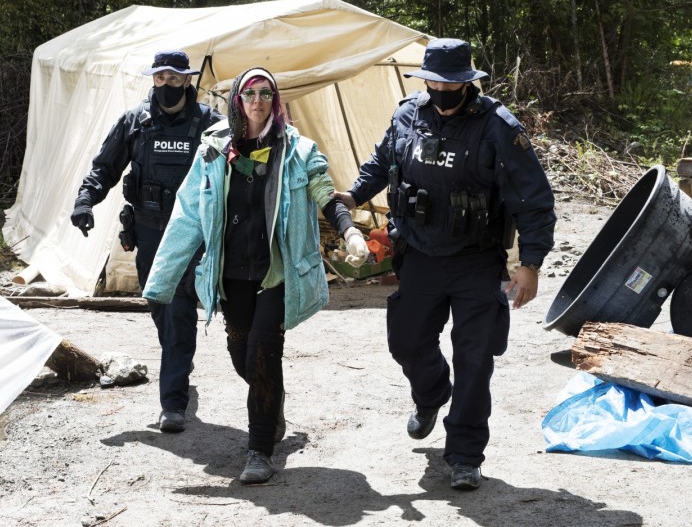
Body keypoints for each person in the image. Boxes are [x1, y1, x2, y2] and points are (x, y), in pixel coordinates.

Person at [334, 38, 556, 490]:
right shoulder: (407, 114)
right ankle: (433, 393)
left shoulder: (497, 127)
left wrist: (529, 263)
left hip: (476, 260)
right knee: (406, 342)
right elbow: (382, 161)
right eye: (433, 80)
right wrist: (354, 195)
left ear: (467, 83)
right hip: (418, 254)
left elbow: (533, 199)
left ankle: (465, 455)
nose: (441, 89)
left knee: (475, 358)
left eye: (451, 82)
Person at [142, 67, 369, 485]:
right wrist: (161, 281)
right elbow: (188, 214)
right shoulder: (212, 150)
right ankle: (273, 399)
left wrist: (350, 230)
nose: (258, 101)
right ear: (238, 101)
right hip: (231, 275)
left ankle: (260, 450)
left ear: (275, 100)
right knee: (242, 355)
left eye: (266, 93)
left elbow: (324, 191)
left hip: (275, 275)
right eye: (250, 93)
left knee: (264, 354)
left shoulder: (298, 150)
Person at [71, 50, 225, 433]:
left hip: (191, 234)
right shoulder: (134, 121)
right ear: (153, 79)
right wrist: (85, 199)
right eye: (161, 78)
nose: (167, 85)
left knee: (178, 309)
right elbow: (104, 167)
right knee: (159, 304)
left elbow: (235, 167)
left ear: (187, 80)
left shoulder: (210, 123)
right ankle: (180, 358)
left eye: (175, 78)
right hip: (149, 230)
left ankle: (173, 403)